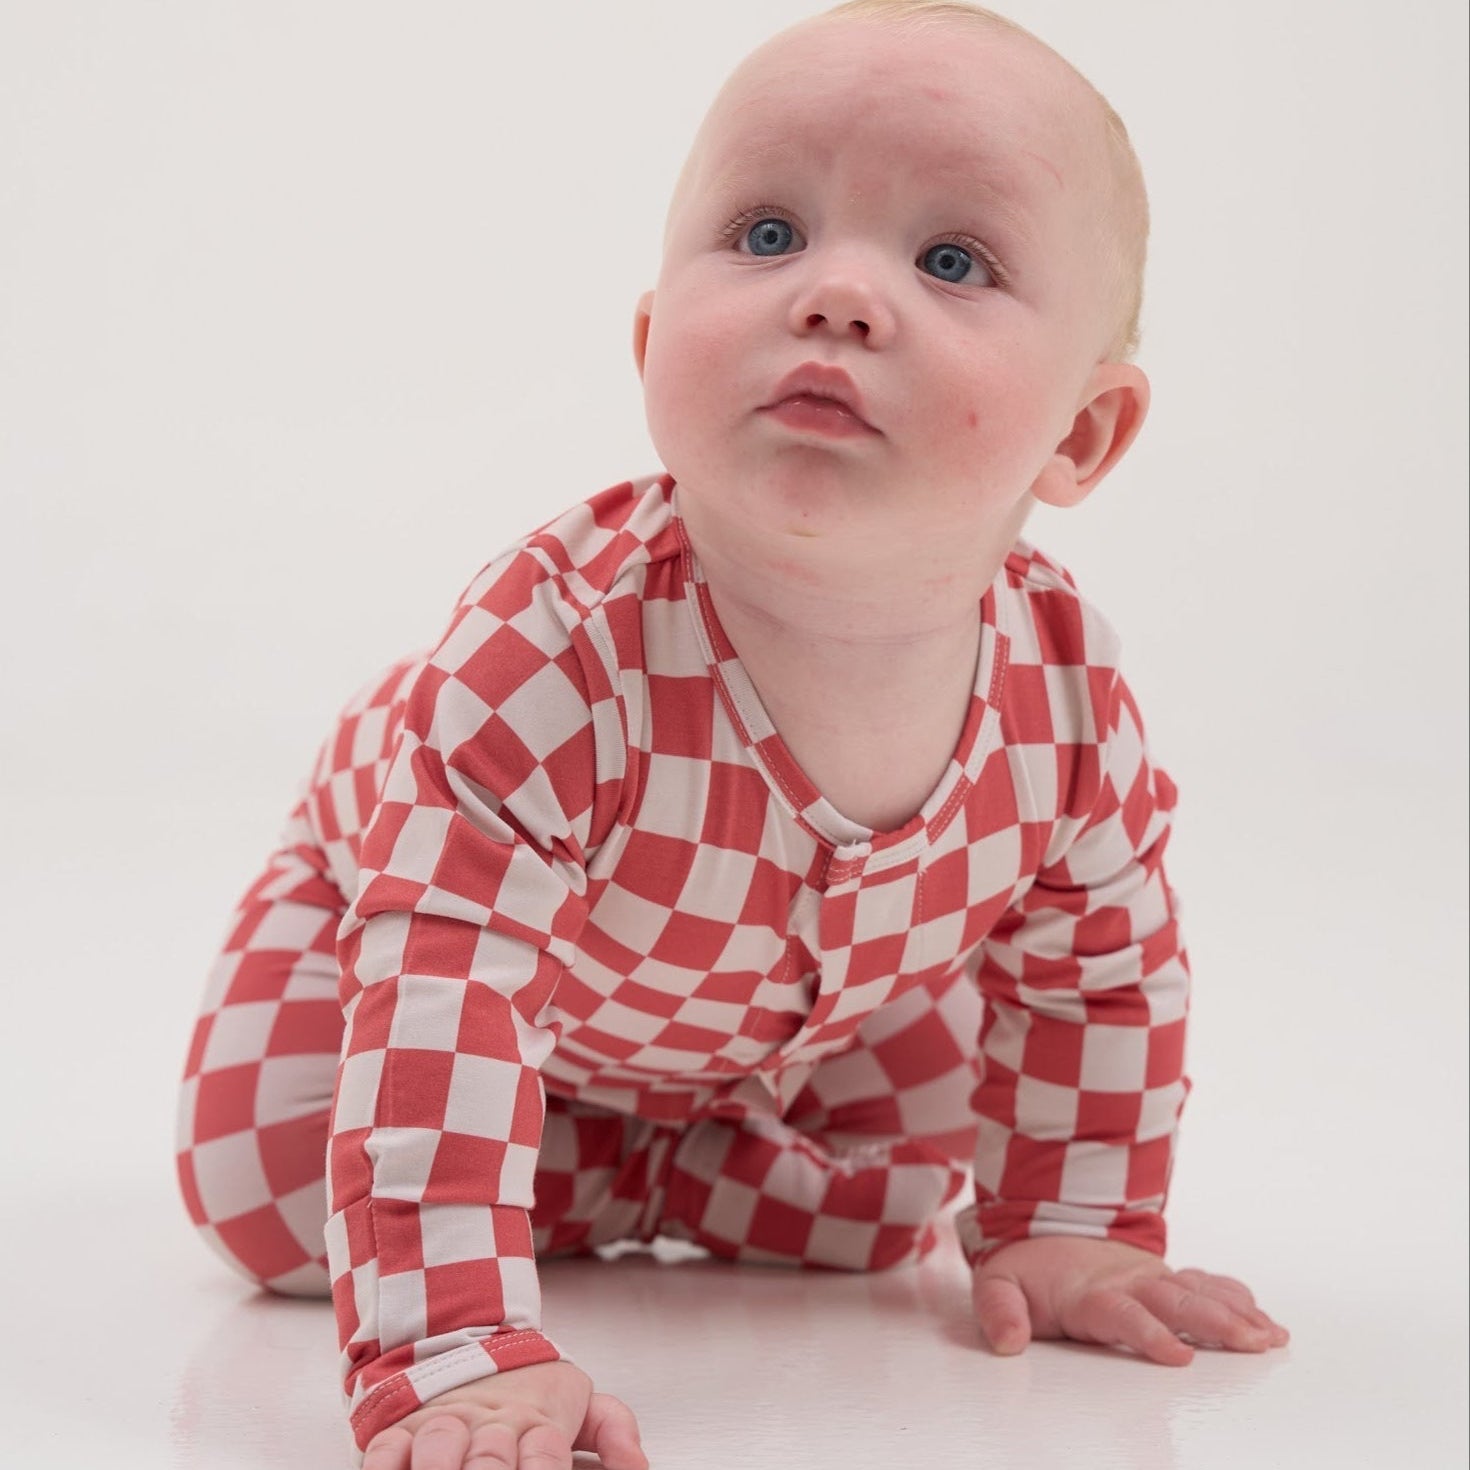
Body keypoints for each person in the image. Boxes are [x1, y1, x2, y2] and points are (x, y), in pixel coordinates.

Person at [175, 2, 1290, 1466]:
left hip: (787, 1006)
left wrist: (1070, 1226)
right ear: (650, 346)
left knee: (930, 1173)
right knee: (260, 1187)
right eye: (765, 235)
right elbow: (450, 989)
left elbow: (1094, 971)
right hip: (411, 943)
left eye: (950, 260)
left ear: (1080, 436)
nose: (835, 292)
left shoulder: (1066, 695)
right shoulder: (551, 652)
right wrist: (452, 1345)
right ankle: (655, 1174)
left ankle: (653, 1172)